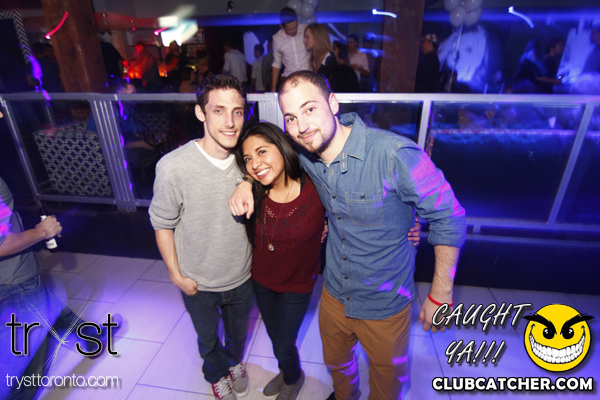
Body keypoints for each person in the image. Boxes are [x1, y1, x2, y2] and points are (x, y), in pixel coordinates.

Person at [229, 70, 466, 400]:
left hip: (384, 303)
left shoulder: (393, 154)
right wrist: (245, 181)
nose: (301, 126)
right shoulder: (306, 155)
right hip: (334, 293)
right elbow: (267, 156)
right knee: (337, 365)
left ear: (333, 103)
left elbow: (449, 215)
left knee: (386, 383)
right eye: (291, 117)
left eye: (310, 109)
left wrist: (440, 292)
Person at [149, 75, 253, 400]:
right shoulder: (173, 167)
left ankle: (234, 362)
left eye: (237, 112)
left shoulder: (250, 158)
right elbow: (162, 224)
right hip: (198, 280)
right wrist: (175, 274)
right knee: (207, 339)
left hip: (242, 275)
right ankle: (216, 373)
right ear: (200, 113)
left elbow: (282, 165)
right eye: (219, 110)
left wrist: (248, 180)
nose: (230, 122)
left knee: (238, 334)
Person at [0, 177, 121, 400]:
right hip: (12, 283)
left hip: (15, 282)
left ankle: (92, 338)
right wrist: (43, 232)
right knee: (24, 376)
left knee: (50, 307)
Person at [235, 122, 325, 400]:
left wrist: (408, 226)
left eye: (262, 151)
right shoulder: (256, 191)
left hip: (298, 284)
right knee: (275, 337)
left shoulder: (314, 187)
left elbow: (346, 209)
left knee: (284, 342)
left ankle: (294, 378)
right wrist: (244, 182)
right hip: (262, 279)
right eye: (248, 158)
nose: (255, 164)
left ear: (282, 147)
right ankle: (287, 371)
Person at [270, 7, 310, 92]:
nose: (294, 31)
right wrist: (273, 88)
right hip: (290, 79)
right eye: (290, 29)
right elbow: (276, 64)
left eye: (295, 27)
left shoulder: (305, 30)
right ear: (282, 26)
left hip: (308, 77)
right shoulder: (277, 39)